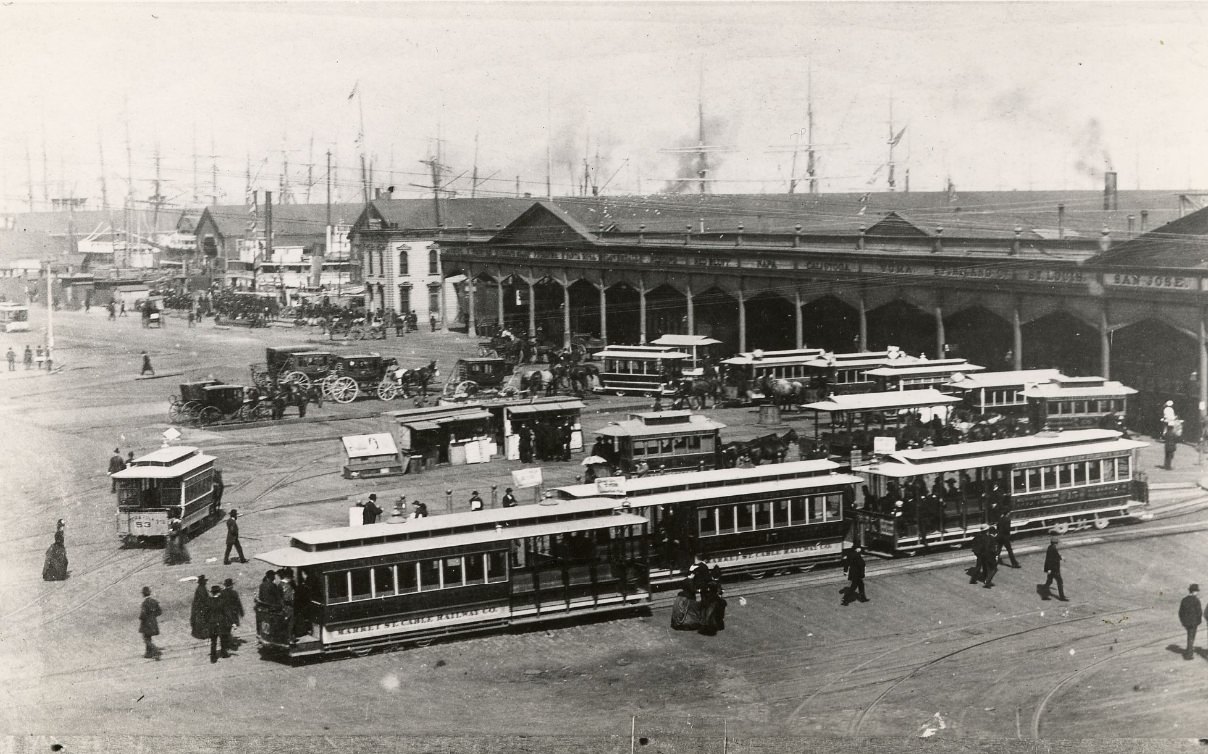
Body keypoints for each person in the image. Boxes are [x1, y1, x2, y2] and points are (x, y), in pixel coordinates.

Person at [1179, 583, 1203, 660]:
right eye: (1197, 591)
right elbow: (1199, 612)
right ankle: (1189, 654)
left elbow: (1180, 612)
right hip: (1193, 622)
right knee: (1191, 637)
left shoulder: (1184, 600)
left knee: (1189, 636)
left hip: (1186, 622)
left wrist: (1183, 621)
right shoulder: (1196, 600)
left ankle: (1188, 650)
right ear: (1194, 591)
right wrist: (1198, 621)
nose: (1197, 593)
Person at [220, 577, 244, 652]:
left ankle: (226, 643)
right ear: (231, 585)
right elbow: (238, 603)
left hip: (224, 613)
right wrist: (241, 612)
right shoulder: (234, 593)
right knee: (229, 627)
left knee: (225, 628)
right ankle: (228, 643)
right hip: (233, 613)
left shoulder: (222, 593)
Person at [206, 584, 228, 663]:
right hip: (221, 622)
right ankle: (224, 653)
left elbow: (206, 613)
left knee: (213, 641)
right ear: (218, 592)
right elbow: (225, 612)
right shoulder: (222, 601)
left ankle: (213, 658)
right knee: (223, 639)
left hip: (212, 623)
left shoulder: (208, 601)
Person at [139, 586, 162, 660]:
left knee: (146, 638)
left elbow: (143, 614)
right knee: (148, 637)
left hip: (146, 623)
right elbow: (159, 612)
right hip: (153, 622)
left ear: (143, 594)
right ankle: (148, 653)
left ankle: (155, 650)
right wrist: (153, 616)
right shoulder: (154, 601)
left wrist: (141, 618)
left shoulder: (144, 603)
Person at [1042, 535, 1067, 601]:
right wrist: (1049, 569)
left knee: (1049, 582)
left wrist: (1061, 557)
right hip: (1054, 569)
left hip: (1051, 569)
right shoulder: (1053, 549)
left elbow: (1056, 556)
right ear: (1056, 543)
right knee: (1060, 582)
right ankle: (1062, 597)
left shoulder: (1050, 547)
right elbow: (1051, 559)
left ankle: (1044, 595)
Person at [276, 569, 295, 641]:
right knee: (290, 623)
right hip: (288, 607)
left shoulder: (280, 584)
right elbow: (288, 598)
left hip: (283, 607)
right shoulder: (287, 586)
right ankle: (290, 639)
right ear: (288, 577)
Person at [190, 575, 211, 640]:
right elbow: (204, 599)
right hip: (200, 607)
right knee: (202, 620)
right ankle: (202, 635)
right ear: (203, 582)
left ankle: (199, 633)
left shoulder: (201, 587)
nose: (205, 582)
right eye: (204, 581)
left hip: (198, 607)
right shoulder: (201, 589)